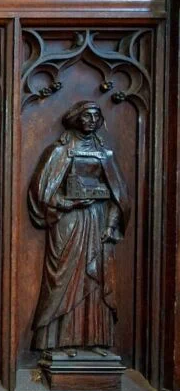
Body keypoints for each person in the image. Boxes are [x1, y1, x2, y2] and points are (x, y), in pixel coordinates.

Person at [28, 101, 129, 357]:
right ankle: (59, 341)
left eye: (96, 116)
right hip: (68, 222)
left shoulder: (104, 153)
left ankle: (93, 340)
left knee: (94, 279)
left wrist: (110, 224)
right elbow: (41, 191)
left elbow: (119, 195)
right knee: (65, 277)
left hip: (95, 220)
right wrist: (64, 202)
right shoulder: (60, 151)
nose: (92, 120)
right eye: (87, 115)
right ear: (76, 118)